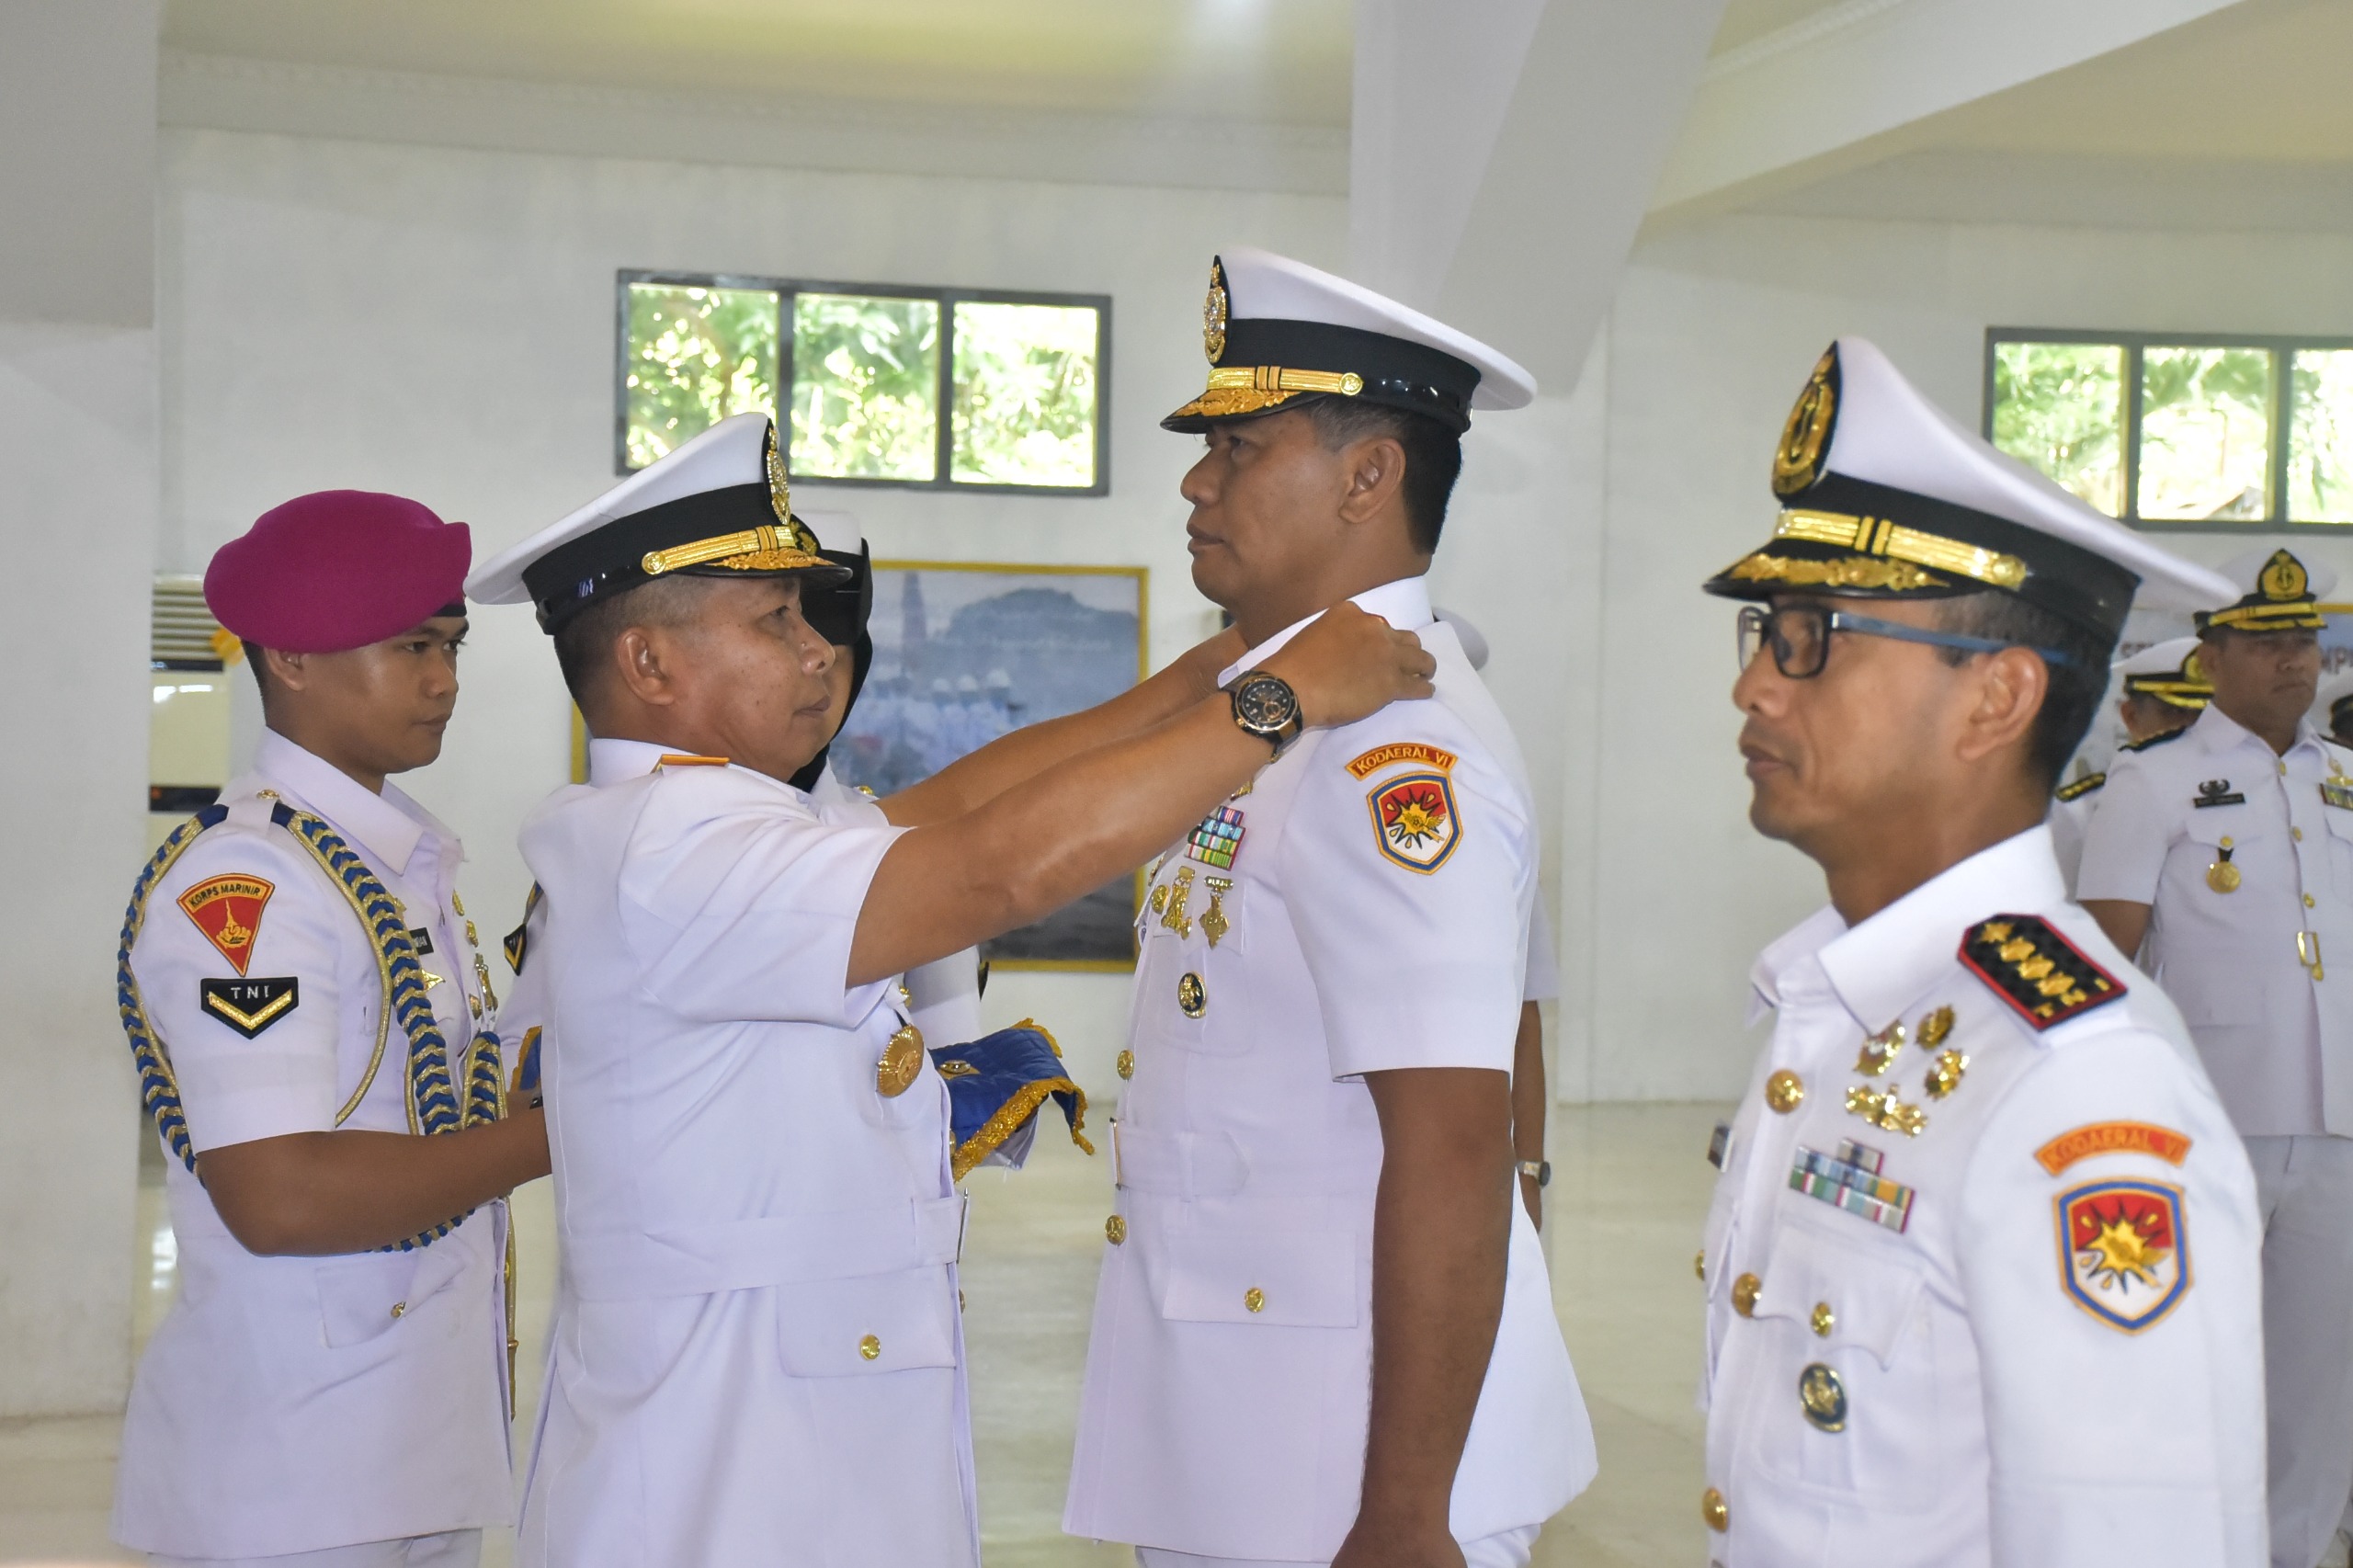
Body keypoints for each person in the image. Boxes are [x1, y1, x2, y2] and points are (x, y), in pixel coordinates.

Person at [461, 411, 1427, 1567]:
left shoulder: (710, 820)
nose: (818, 650)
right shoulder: (670, 851)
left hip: (784, 1450)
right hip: (723, 1486)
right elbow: (1000, 865)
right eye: (774, 620)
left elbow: (960, 804)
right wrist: (1278, 701)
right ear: (649, 663)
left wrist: (1207, 672)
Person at [1063, 248, 1596, 1568]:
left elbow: (1456, 1137)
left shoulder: (1390, 752)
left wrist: (1407, 1512)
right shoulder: (1287, 710)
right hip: (1254, 1433)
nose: (1196, 482)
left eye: (1239, 449)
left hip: (1340, 1467)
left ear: (1369, 477)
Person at [1696, 337, 2264, 1565]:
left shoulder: (2078, 1085)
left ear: (1997, 698)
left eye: (1813, 636)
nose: (1755, 687)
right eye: (1763, 632)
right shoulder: (1842, 1006)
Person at [113, 492, 550, 1567]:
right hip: (290, 1473)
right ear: (293, 659)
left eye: (450, 644)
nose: (445, 679)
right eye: (411, 646)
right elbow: (281, 1194)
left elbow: (433, 1102)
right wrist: (560, 1132)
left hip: (404, 1444)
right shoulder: (251, 884)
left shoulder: (394, 865)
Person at [2077, 547, 2353, 1568]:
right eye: (2270, 642)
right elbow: (2106, 960)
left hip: (2338, 1122)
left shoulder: (2346, 780)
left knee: (2317, 1386)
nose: (2297, 660)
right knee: (2187, 1366)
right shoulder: (2152, 782)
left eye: (2306, 640)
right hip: (2207, 1122)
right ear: (2210, 658)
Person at [2047, 634, 2210, 890]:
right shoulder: (2080, 817)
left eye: (2207, 716)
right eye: (2175, 712)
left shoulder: (2263, 803)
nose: (2192, 729)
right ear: (2131, 716)